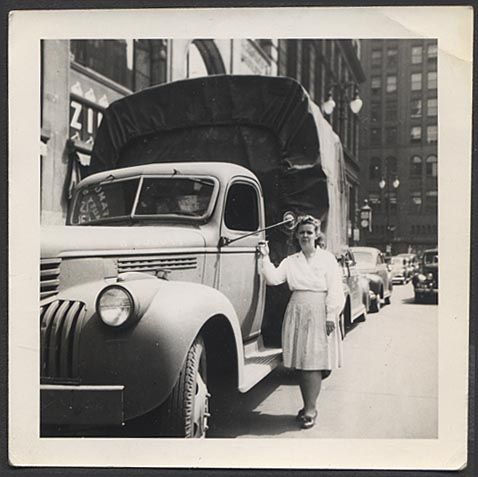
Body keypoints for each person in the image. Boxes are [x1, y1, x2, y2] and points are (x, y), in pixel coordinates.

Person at [258, 215, 345, 429]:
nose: (305, 235)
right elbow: (273, 278)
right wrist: (264, 257)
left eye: (309, 232)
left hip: (319, 310)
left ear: (316, 235)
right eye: (302, 232)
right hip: (297, 310)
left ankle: (310, 410)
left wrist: (330, 315)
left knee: (313, 363)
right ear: (296, 236)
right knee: (303, 363)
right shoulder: (291, 261)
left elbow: (335, 288)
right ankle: (308, 406)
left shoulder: (327, 259)